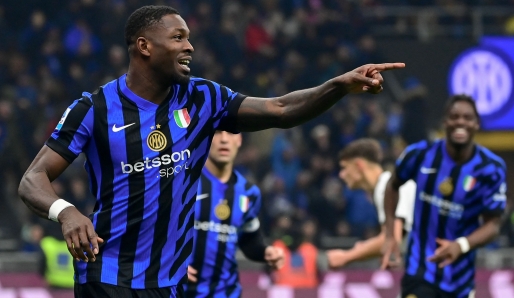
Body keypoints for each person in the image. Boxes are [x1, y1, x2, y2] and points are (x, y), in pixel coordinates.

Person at [18, 5, 404, 298]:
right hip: (106, 275)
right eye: (178, 37)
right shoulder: (94, 109)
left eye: (188, 38)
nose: (189, 46)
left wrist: (339, 85)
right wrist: (66, 213)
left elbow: (281, 109)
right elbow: (33, 179)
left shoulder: (202, 97)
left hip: (168, 282)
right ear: (144, 47)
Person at [382, 95, 507, 298]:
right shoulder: (420, 154)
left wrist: (461, 245)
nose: (460, 122)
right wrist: (389, 234)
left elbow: (493, 224)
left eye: (467, 118)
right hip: (420, 272)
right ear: (445, 122)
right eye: (454, 116)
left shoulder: (491, 168)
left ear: (476, 124)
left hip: (460, 281)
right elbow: (393, 185)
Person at [185, 130, 284, 297]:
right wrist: (170, 265)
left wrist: (265, 251)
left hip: (226, 292)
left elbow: (249, 238)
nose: (224, 139)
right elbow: (152, 231)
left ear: (239, 139)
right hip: (182, 292)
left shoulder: (249, 192)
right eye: (217, 133)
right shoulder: (184, 181)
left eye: (231, 133)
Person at [326, 138, 416, 268]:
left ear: (359, 165)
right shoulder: (383, 187)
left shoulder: (387, 187)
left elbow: (391, 239)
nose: (341, 174)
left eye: (345, 168)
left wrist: (347, 256)